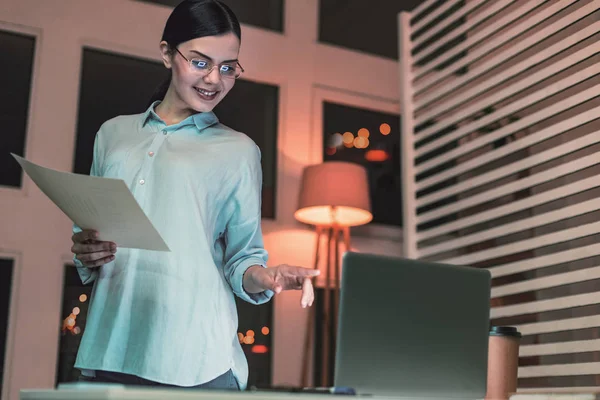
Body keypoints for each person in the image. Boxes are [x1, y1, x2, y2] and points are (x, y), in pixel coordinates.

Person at [70, 0, 319, 391]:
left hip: (197, 360)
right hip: (108, 349)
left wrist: (266, 276)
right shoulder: (113, 135)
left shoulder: (239, 152)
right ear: (167, 53)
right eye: (200, 62)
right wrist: (86, 249)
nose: (214, 80)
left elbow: (242, 260)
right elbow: (89, 234)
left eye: (227, 67)